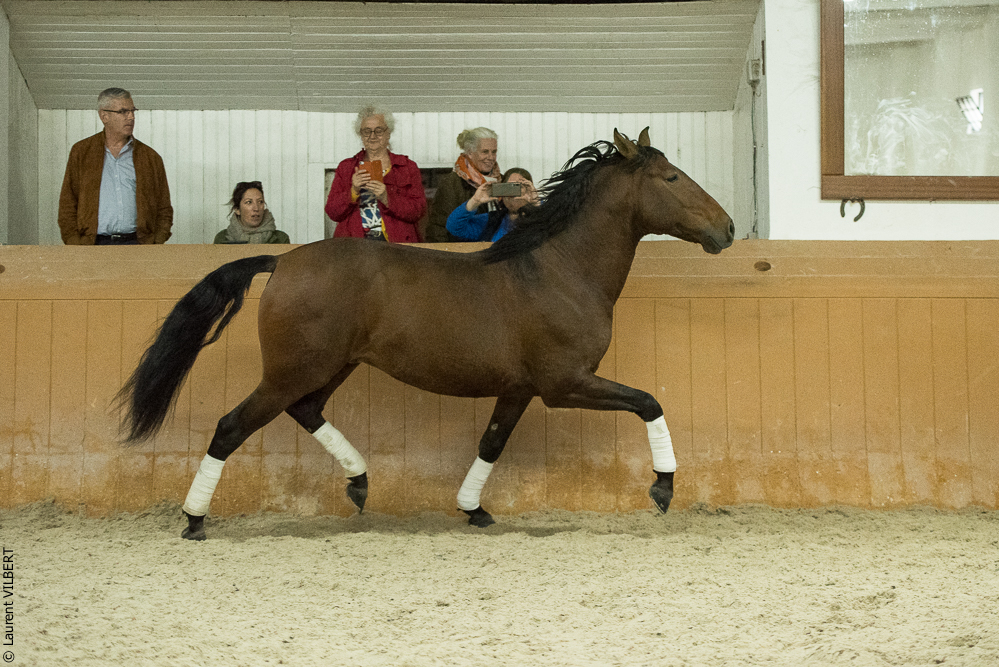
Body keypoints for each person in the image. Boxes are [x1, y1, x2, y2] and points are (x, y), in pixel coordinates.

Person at [57, 87, 173, 245]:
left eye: (133, 111)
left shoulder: (150, 157)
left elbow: (164, 207)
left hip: (138, 245)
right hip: (93, 245)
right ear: (104, 116)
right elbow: (68, 203)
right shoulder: (82, 152)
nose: (131, 117)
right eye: (123, 111)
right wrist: (74, 243)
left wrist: (156, 241)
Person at [325, 105, 426, 242]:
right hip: (355, 250)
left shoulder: (407, 167)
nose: (372, 136)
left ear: (388, 133)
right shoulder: (347, 167)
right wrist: (353, 191)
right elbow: (332, 212)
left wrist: (387, 198)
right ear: (360, 134)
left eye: (378, 130)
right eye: (367, 131)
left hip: (398, 248)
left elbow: (418, 210)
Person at [424, 127, 501, 243]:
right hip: (462, 255)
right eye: (485, 152)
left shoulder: (503, 180)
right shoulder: (451, 183)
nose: (490, 157)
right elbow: (438, 228)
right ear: (470, 153)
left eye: (494, 152)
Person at [446, 168, 538, 242]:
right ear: (502, 191)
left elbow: (550, 232)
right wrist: (475, 201)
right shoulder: (492, 220)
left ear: (529, 189)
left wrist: (536, 204)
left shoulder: (542, 214)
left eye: (518, 187)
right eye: (509, 187)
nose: (513, 193)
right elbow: (454, 227)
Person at [213, 181, 290, 245]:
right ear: (237, 209)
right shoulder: (222, 238)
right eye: (249, 202)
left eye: (260, 202)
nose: (256, 208)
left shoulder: (281, 239)